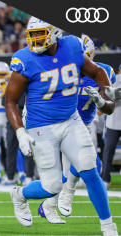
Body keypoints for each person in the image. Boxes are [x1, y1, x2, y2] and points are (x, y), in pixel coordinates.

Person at [6, 17, 118, 235]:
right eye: (32, 35)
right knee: (51, 187)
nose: (35, 40)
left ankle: (108, 227)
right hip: (41, 126)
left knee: (90, 169)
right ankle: (19, 195)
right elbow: (10, 100)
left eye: (40, 34)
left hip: (71, 120)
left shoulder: (73, 47)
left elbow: (96, 72)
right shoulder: (24, 60)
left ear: (55, 32)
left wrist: (108, 91)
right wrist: (20, 132)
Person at [57, 34, 117, 216]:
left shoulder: (102, 71)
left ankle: (67, 192)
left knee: (87, 164)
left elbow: (111, 103)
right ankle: (51, 202)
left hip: (85, 125)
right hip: (63, 125)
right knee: (64, 175)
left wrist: (100, 101)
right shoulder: (60, 70)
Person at [101, 64, 121, 189]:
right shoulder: (114, 79)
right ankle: (105, 179)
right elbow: (109, 97)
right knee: (108, 151)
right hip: (113, 122)